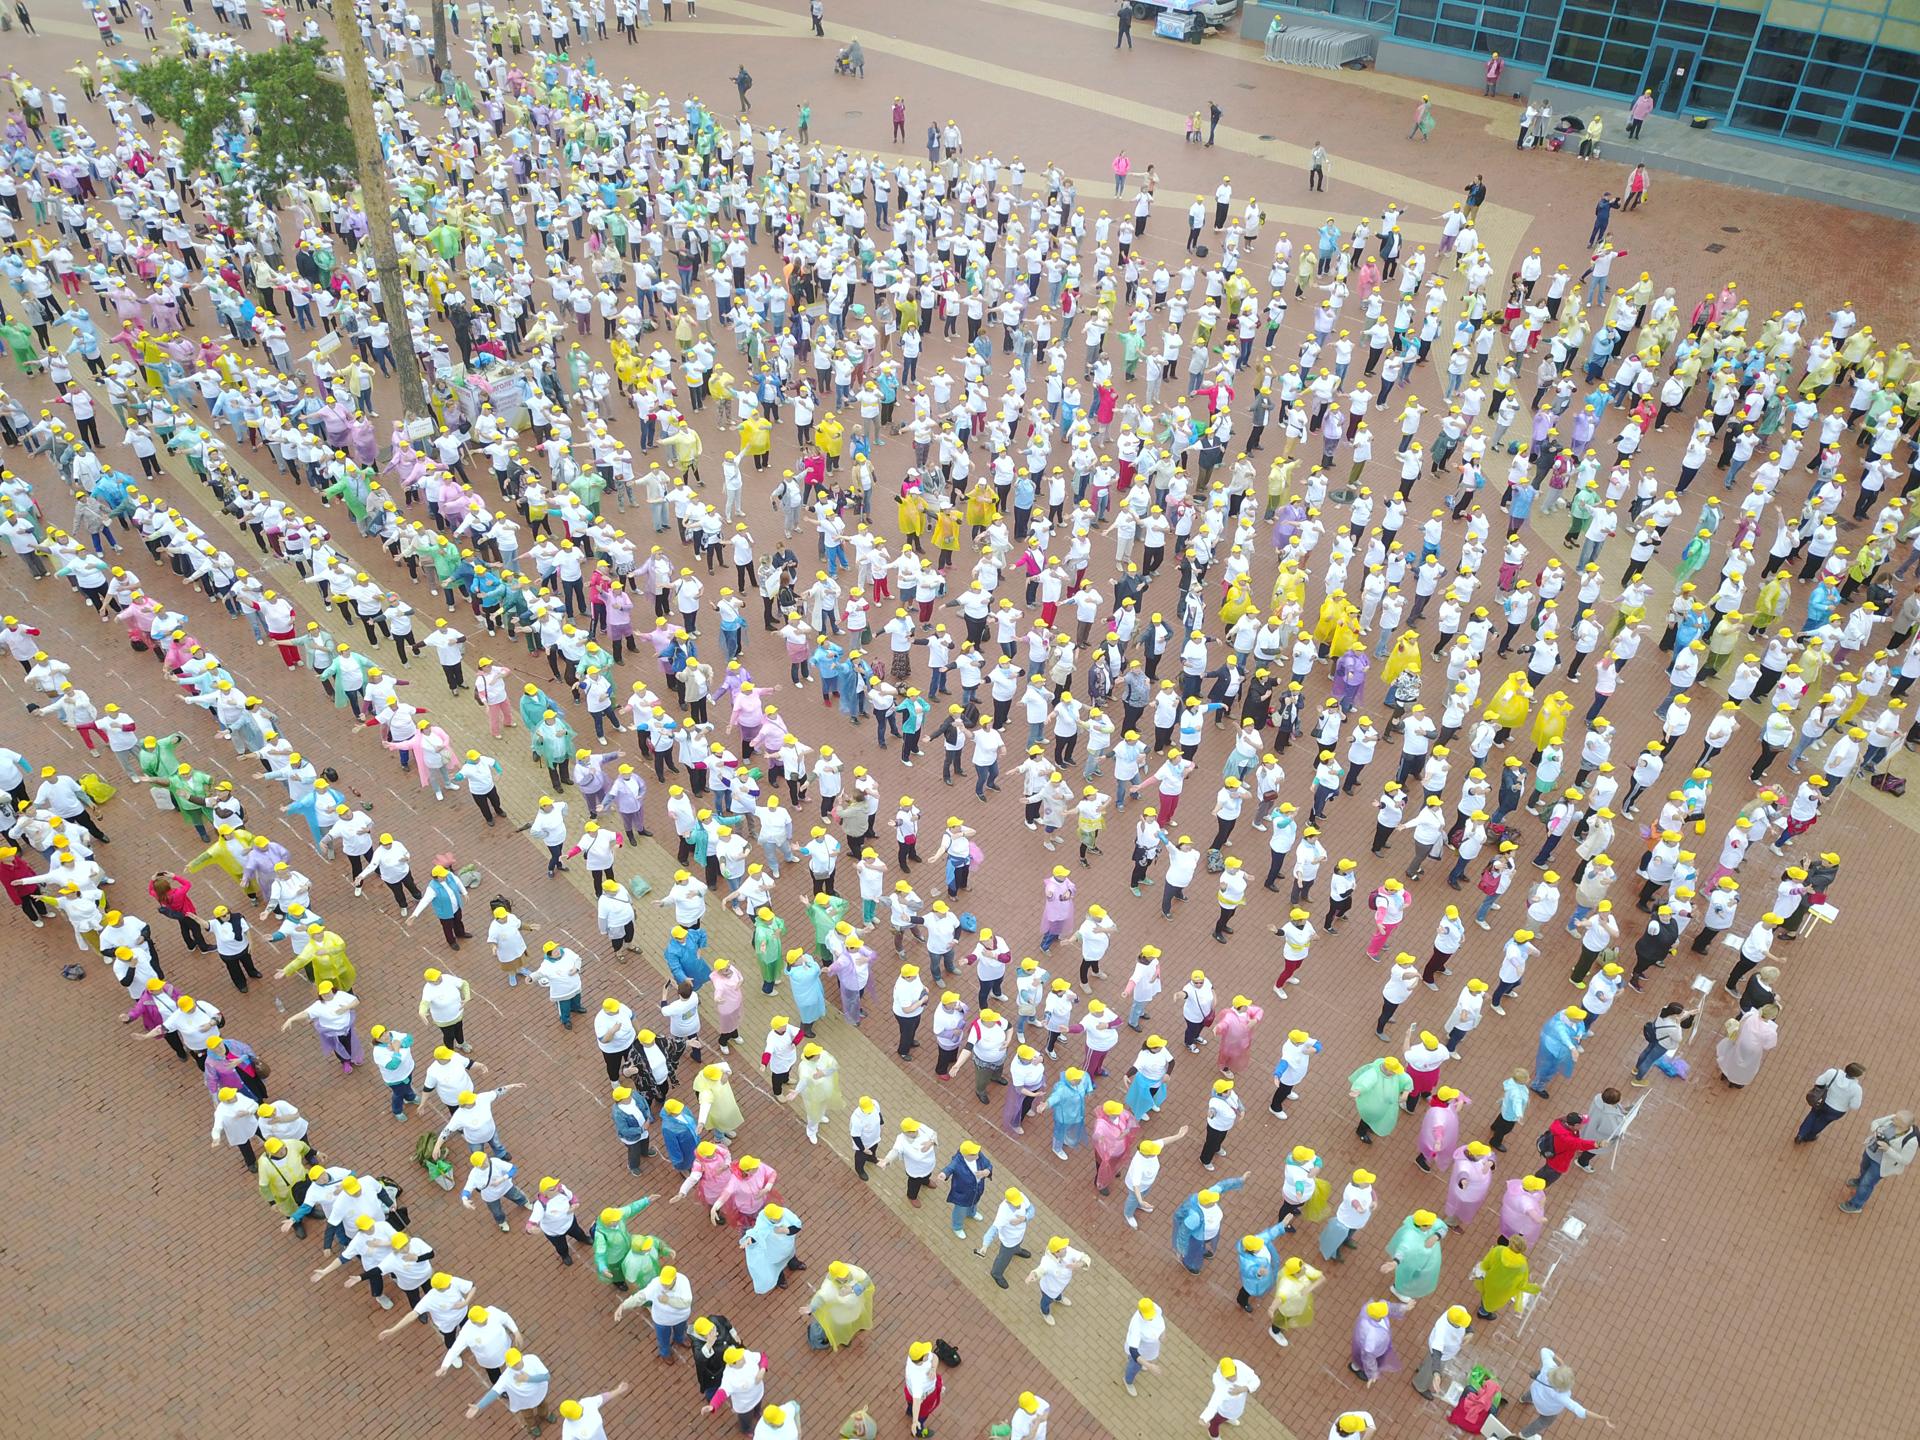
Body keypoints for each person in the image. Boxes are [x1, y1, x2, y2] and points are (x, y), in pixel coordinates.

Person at [1841, 1111, 1917, 1213]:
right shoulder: (1893, 1119)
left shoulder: (1912, 1141)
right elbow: (1875, 1122)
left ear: (1903, 1125)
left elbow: (1905, 1160)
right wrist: (1876, 1130)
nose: (1893, 1118)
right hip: (1870, 1152)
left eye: (1897, 1119)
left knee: (1867, 1184)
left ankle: (1855, 1205)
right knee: (1863, 1168)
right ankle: (1859, 1181)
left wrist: (1887, 1149)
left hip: (1880, 1164)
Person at [1518, 1348, 1605, 1434]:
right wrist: (1601, 1418)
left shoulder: (1549, 1366)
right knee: (1544, 1422)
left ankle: (1522, 1399)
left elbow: (1544, 1350)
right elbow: (1579, 1410)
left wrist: (1560, 1360)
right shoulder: (1561, 1395)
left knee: (1531, 1394)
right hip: (1546, 1409)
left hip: (1535, 1392)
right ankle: (1524, 1434)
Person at [1795, 1062, 1866, 1143]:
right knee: (1823, 1122)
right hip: (1837, 1110)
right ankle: (1809, 1136)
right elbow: (1855, 1106)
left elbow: (1819, 1082)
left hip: (1822, 1101)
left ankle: (1800, 1134)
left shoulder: (1833, 1073)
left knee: (1813, 1115)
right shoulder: (1857, 1089)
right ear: (1856, 1075)